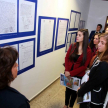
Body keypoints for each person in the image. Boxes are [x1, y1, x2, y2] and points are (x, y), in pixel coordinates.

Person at [78, 33, 108, 108]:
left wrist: (81, 90)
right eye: (99, 42)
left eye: (102, 43)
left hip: (94, 99)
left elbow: (93, 83)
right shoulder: (100, 57)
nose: (99, 45)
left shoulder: (105, 64)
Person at [63, 29, 92, 108]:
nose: (77, 36)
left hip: (78, 74)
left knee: (74, 91)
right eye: (77, 34)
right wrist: (67, 71)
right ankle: (66, 104)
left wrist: (71, 73)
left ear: (84, 37)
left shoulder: (88, 51)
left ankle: (71, 105)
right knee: (68, 89)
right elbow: (67, 58)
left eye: (79, 35)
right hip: (68, 72)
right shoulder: (73, 46)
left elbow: (84, 66)